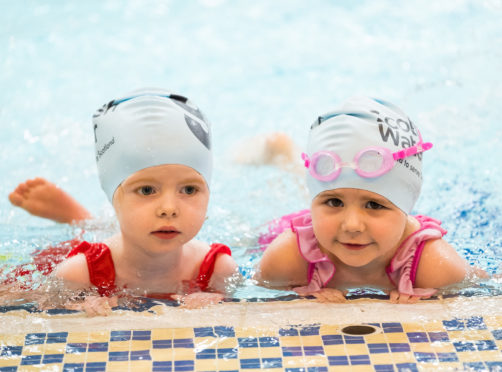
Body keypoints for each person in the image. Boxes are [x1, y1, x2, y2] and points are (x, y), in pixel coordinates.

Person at [6, 88, 238, 313]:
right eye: (147, 190)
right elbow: (38, 307)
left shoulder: (218, 268)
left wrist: (218, 299)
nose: (169, 209)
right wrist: (75, 307)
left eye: (189, 189)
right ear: (113, 196)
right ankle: (80, 220)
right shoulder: (78, 273)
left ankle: (86, 220)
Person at [255, 96, 487, 304]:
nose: (352, 225)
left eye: (374, 205)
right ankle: (284, 157)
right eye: (334, 202)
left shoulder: (434, 265)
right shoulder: (289, 256)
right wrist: (296, 297)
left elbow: (481, 284)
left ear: (406, 205)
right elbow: (251, 293)